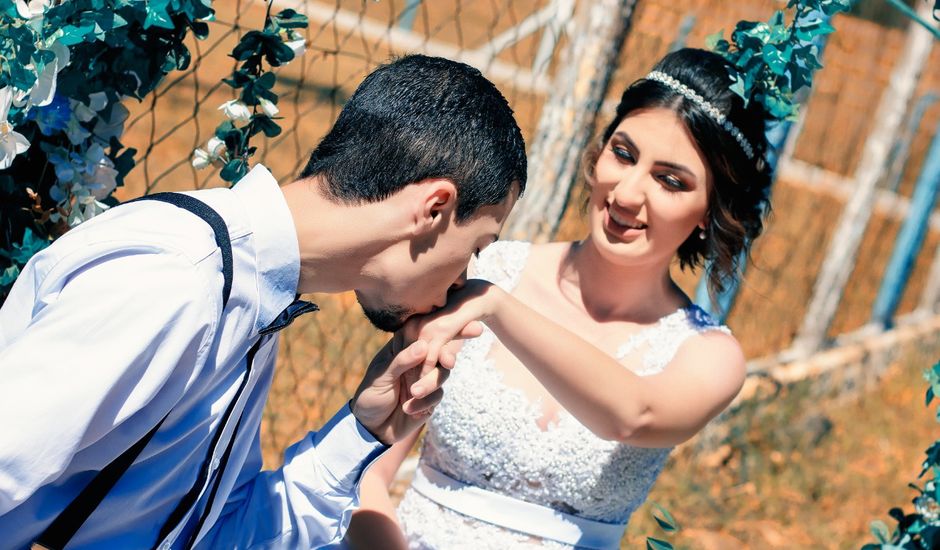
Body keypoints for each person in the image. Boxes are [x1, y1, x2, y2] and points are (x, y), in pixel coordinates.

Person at [0, 54, 526, 549]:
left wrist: (364, 430)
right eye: (477, 247)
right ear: (435, 208)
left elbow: (214, 534)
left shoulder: (255, 298)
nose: (464, 279)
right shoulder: (180, 279)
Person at [345, 47, 773, 549]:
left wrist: (499, 307)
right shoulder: (481, 270)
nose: (628, 193)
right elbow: (365, 472)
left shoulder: (708, 354)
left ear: (709, 211)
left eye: (670, 181)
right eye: (624, 154)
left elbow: (634, 415)